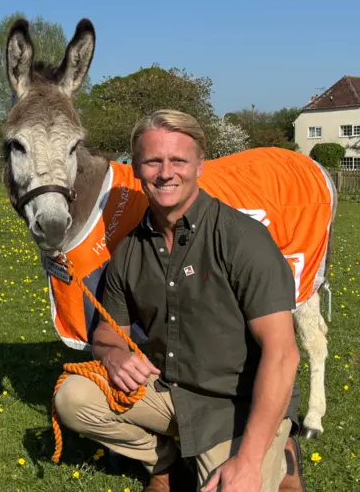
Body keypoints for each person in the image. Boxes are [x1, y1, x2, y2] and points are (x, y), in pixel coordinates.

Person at [52, 110, 303, 492]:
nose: (165, 173)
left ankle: (279, 449)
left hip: (235, 405)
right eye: (153, 161)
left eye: (178, 161)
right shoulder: (129, 251)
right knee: (72, 397)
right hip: (167, 393)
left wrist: (249, 462)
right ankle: (166, 461)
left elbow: (283, 355)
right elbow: (107, 333)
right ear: (136, 168)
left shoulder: (242, 239)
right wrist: (113, 356)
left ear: (200, 166)